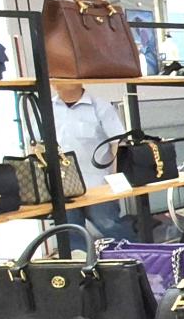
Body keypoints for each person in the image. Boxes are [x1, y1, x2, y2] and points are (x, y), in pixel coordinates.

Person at [51, 82, 127, 240]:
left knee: (110, 227)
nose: (55, 80)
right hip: (63, 188)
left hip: (98, 185)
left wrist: (114, 180)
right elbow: (37, 145)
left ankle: (136, 254)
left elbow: (117, 144)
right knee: (70, 234)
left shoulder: (100, 107)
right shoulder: (47, 108)